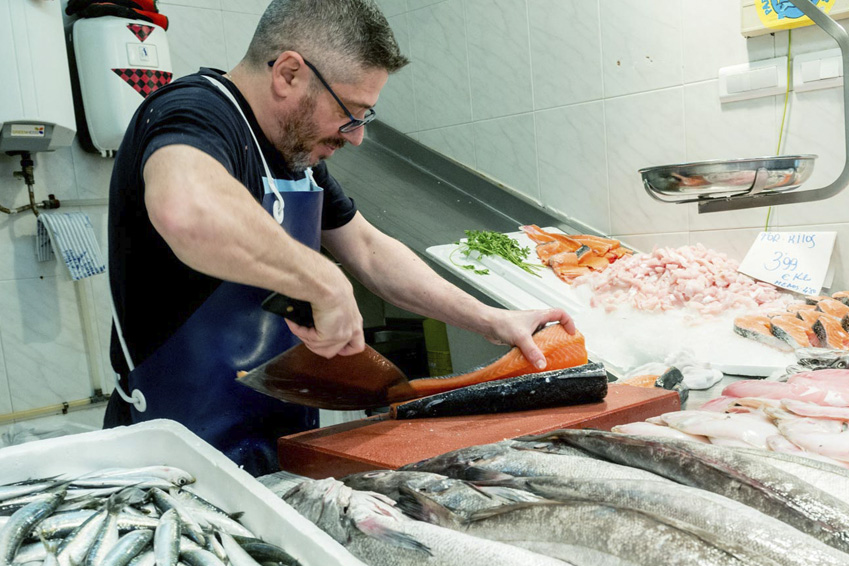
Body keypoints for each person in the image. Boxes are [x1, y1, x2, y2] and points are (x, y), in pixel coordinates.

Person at [104, 0, 574, 475]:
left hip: (280, 441)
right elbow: (187, 208)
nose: (357, 138)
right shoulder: (193, 112)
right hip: (175, 453)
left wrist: (492, 320)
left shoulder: (299, 158)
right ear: (288, 73)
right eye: (350, 112)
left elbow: (369, 251)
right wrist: (324, 282)